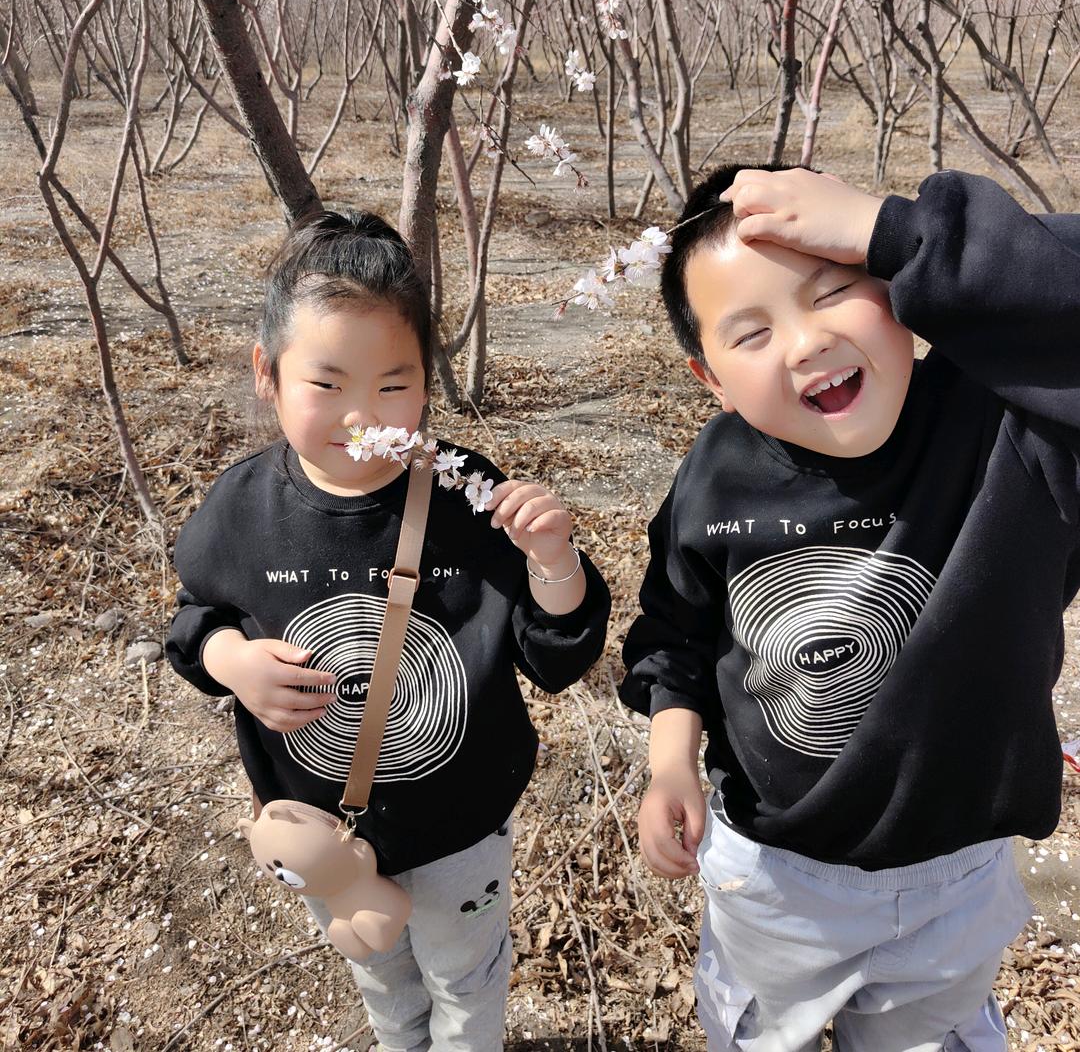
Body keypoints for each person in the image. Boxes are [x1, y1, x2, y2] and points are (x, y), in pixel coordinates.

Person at [620, 164, 1080, 1052]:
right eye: (752, 333)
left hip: (956, 877)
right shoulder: (717, 475)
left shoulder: (1008, 426)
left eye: (835, 289)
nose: (806, 342)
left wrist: (896, 228)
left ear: (901, 287)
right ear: (710, 378)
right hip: (775, 878)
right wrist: (670, 760)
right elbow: (676, 634)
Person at [166, 210, 610, 1052]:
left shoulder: (464, 495)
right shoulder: (240, 509)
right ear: (267, 374)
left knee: (466, 980)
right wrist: (232, 661)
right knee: (378, 972)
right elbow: (194, 620)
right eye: (327, 385)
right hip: (322, 832)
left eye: (393, 386)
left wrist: (554, 562)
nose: (362, 417)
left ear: (427, 383)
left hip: (460, 825)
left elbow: (555, 655)